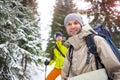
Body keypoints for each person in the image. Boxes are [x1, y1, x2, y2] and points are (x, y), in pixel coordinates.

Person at [61, 13, 120, 80]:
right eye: (69, 24)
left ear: (81, 25)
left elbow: (116, 70)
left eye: (76, 23)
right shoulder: (70, 50)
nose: (72, 26)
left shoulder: (96, 40)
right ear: (66, 28)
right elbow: (64, 75)